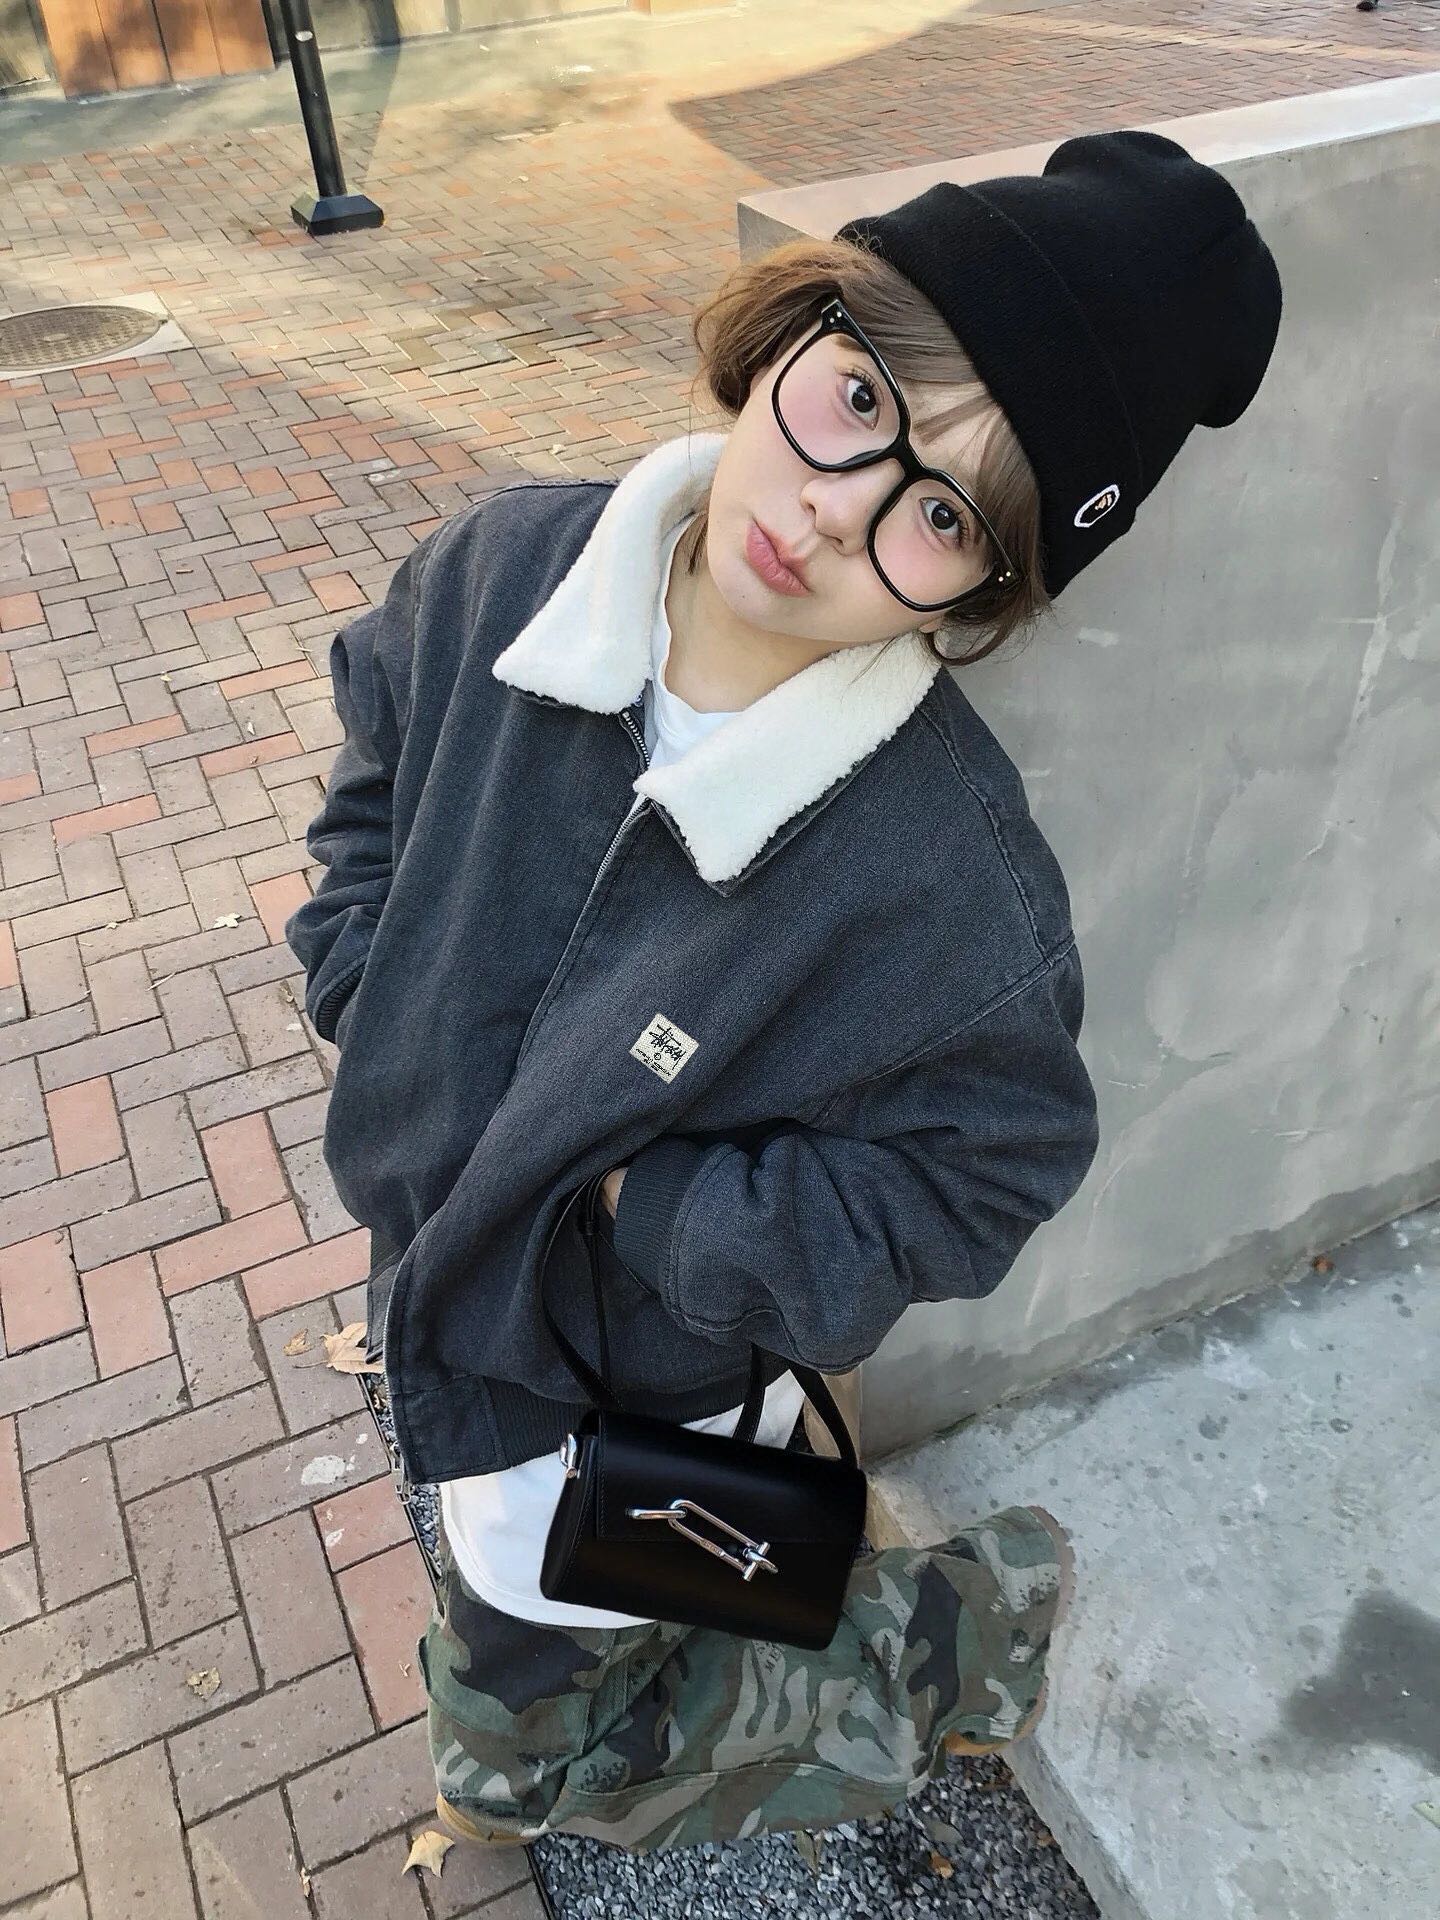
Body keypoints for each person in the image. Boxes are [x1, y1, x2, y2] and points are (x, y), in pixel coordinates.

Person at [285, 129, 1281, 1855]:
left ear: (991, 584)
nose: (836, 510)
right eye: (861, 400)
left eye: (942, 514)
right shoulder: (498, 574)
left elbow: (985, 1172)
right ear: (799, 323)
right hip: (448, 1306)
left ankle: (943, 1636)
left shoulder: (949, 877)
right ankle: (853, 1619)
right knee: (644, 1584)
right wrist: (372, 992)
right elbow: (375, 768)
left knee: (539, 1737)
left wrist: (657, 1213)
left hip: (648, 1391)